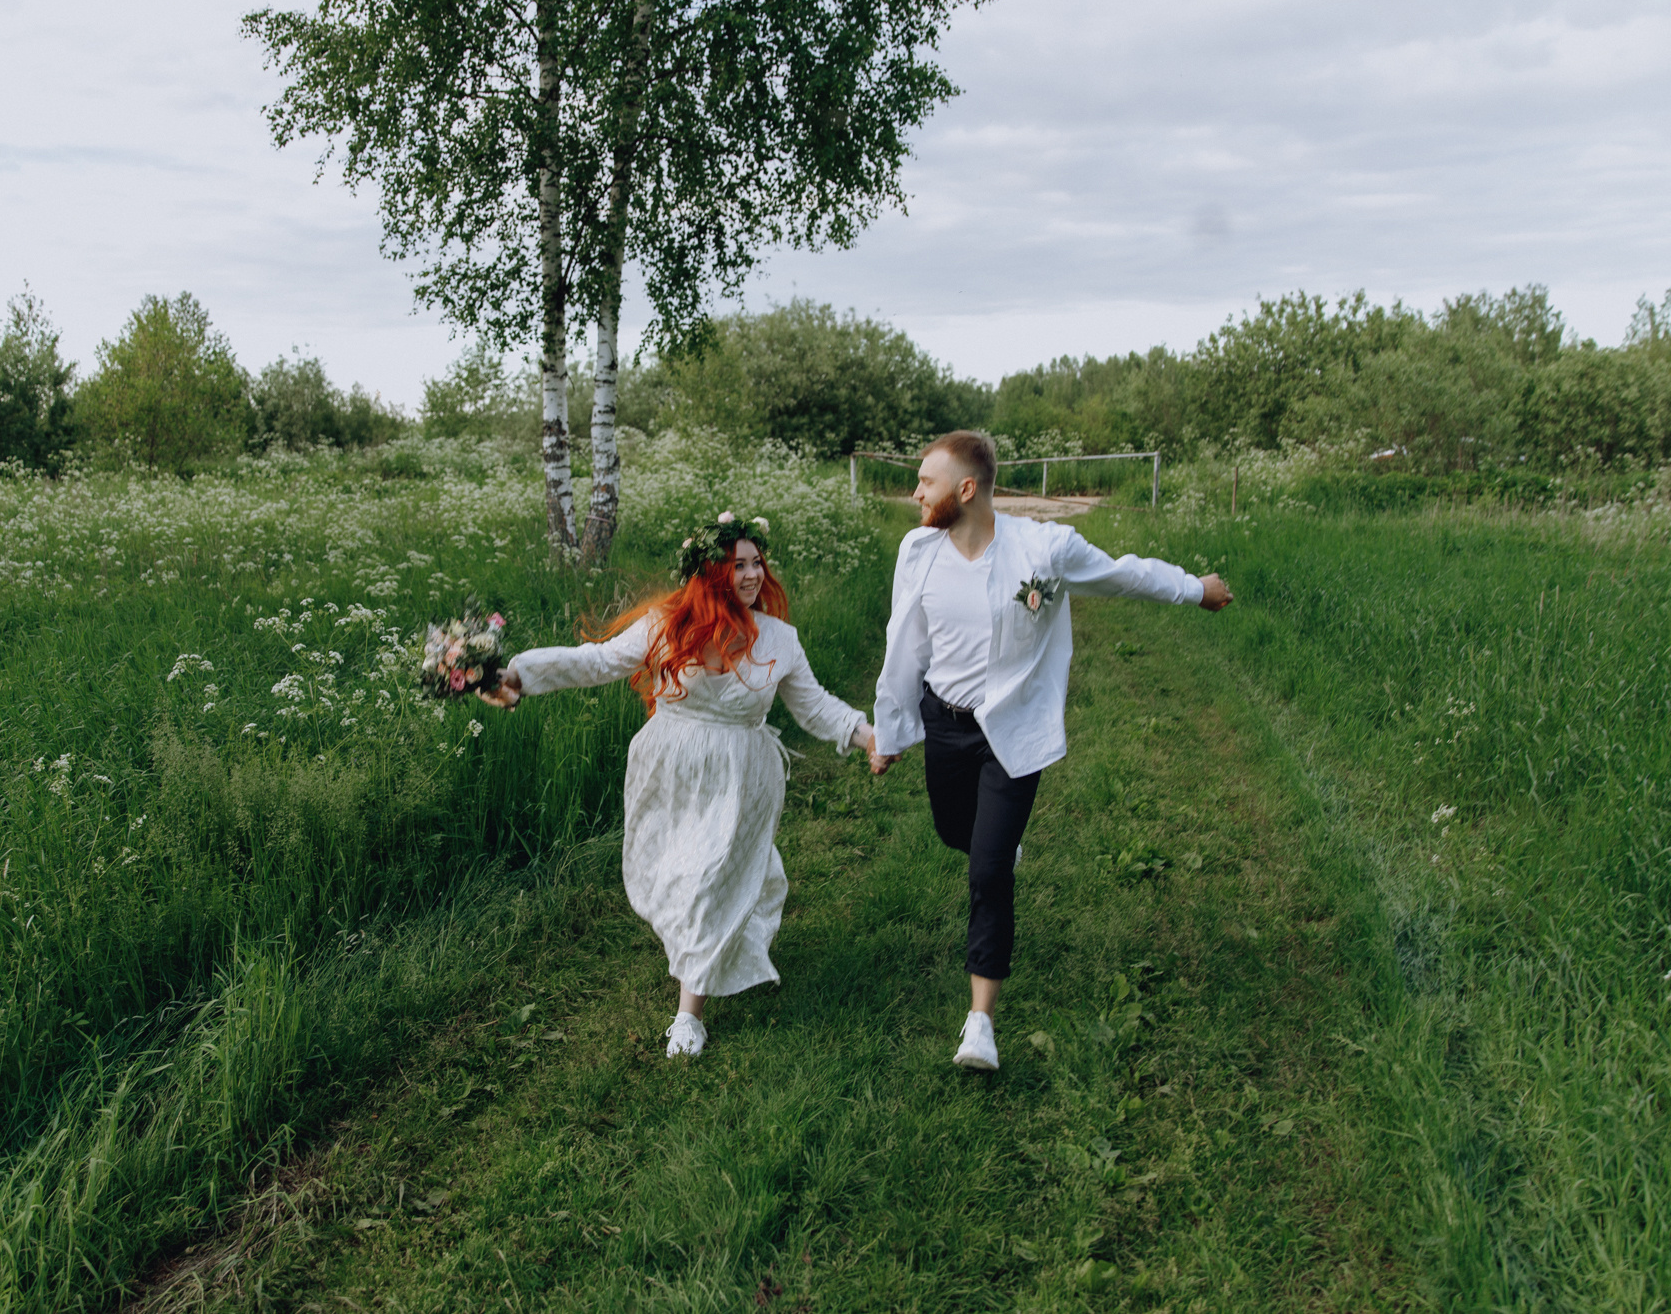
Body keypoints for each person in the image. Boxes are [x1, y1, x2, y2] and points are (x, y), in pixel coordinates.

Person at [868, 432, 1232, 1071]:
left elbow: (1125, 576)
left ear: (967, 489)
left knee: (987, 873)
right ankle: (994, 843)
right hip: (945, 724)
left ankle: (980, 1022)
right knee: (957, 834)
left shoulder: (1043, 548)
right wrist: (892, 732)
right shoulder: (917, 550)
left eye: (926, 481)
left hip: (1012, 733)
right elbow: (908, 643)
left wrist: (1193, 588)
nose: (915, 492)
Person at [480, 513, 873, 1057]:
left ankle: (689, 1016)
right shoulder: (666, 624)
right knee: (678, 875)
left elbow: (815, 706)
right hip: (670, 769)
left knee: (706, 879)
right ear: (711, 572)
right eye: (739, 566)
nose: (753, 574)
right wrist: (519, 674)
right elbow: (597, 661)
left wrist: (866, 736)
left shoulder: (781, 639)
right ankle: (712, 941)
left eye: (758, 563)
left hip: (741, 777)